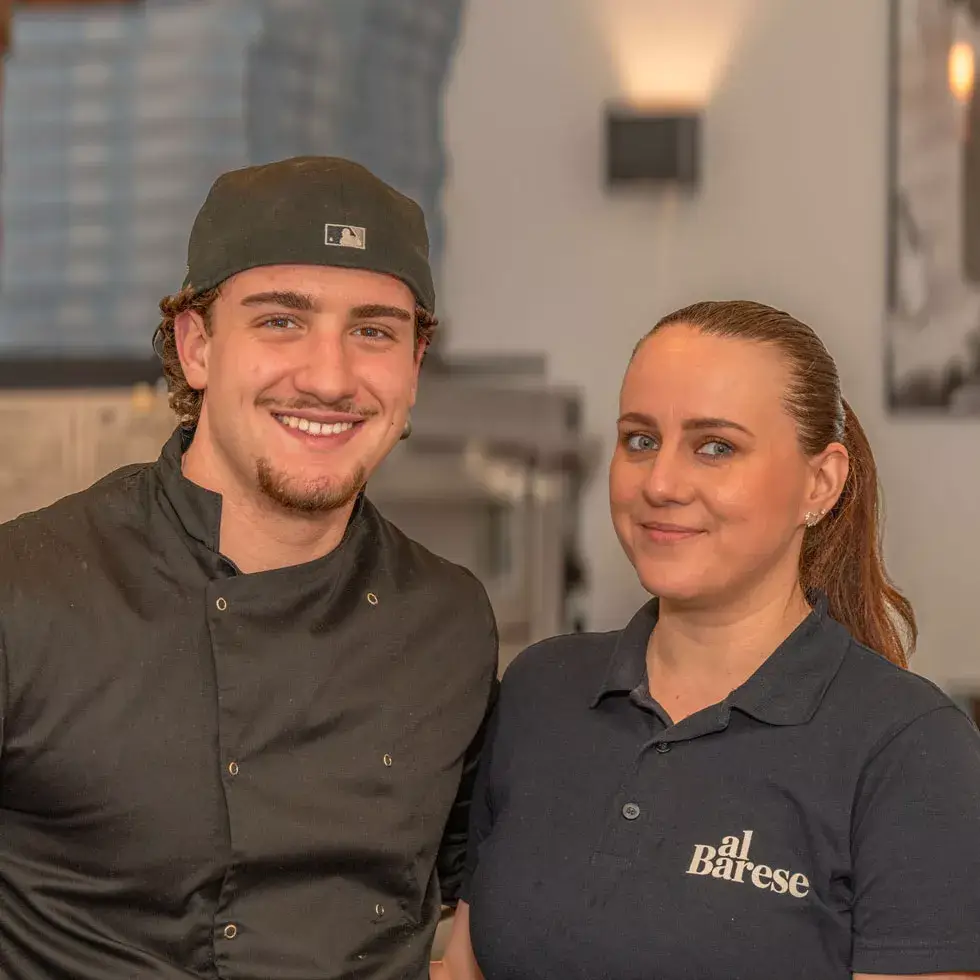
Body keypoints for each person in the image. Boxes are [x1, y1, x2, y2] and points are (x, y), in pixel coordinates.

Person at [0, 156, 499, 980]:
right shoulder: (28, 589)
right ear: (197, 346)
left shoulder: (447, 620)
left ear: (414, 365)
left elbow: (466, 919)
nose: (328, 377)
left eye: (374, 330)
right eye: (281, 321)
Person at [440, 300, 980, 980]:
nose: (660, 483)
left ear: (821, 481)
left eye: (715, 447)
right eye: (640, 439)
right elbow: (463, 967)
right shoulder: (539, 688)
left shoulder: (911, 748)